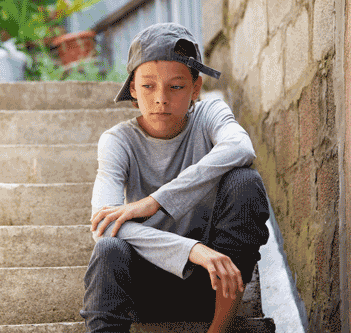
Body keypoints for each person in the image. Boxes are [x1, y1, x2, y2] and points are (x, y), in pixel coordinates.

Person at [80, 22, 270, 333]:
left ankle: (219, 330)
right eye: (148, 86)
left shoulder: (210, 114)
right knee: (108, 249)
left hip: (209, 285)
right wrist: (192, 249)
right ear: (132, 89)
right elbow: (103, 226)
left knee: (244, 183)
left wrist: (156, 201)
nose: (161, 99)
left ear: (196, 89)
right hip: (143, 290)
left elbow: (241, 146)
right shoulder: (118, 141)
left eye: (176, 86)